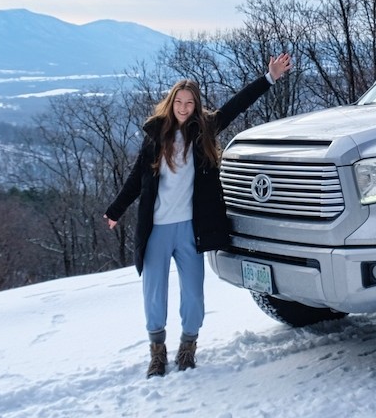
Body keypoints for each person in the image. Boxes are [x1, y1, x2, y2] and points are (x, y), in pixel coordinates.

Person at [104, 53, 292, 378]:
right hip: (157, 231)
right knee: (154, 294)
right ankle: (157, 353)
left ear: (196, 105)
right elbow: (136, 179)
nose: (184, 107)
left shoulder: (203, 131)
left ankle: (188, 348)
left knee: (193, 294)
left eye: (190, 102)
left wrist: (270, 77)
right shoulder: (155, 138)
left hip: (190, 230)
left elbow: (236, 106)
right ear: (171, 102)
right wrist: (116, 210)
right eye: (179, 101)